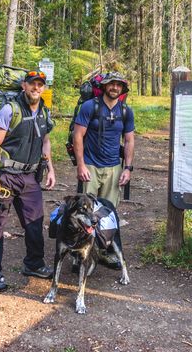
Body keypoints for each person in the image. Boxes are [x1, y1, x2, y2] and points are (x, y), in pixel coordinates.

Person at [0, 70, 56, 292]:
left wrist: (50, 168)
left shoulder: (44, 111)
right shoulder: (9, 109)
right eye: (33, 84)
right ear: (24, 85)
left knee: (34, 223)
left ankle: (34, 264)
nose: (36, 88)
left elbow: (46, 142)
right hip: (5, 176)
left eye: (40, 85)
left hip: (30, 177)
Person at [72, 72, 135, 268]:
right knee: (84, 211)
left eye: (119, 85)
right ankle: (78, 254)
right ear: (105, 86)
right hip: (90, 165)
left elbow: (129, 139)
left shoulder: (125, 111)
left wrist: (128, 168)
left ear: (122, 89)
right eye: (111, 84)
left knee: (108, 212)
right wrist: (81, 164)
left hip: (114, 167)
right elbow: (78, 136)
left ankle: (104, 251)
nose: (115, 88)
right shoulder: (90, 106)